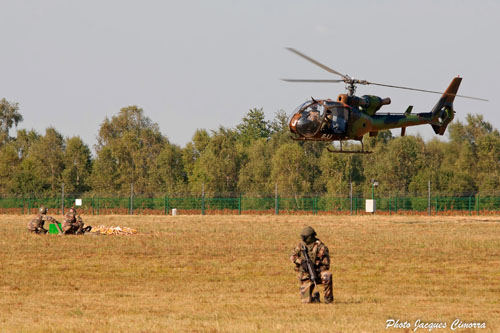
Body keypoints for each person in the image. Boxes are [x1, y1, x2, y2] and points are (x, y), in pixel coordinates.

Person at [290, 226, 333, 304]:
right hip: (305, 276)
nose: (303, 239)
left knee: (327, 275)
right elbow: (292, 256)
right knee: (306, 302)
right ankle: (314, 297)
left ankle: (328, 299)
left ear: (311, 237)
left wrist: (315, 268)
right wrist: (301, 262)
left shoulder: (321, 247)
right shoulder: (301, 246)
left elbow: (326, 265)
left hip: (318, 273)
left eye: (305, 237)